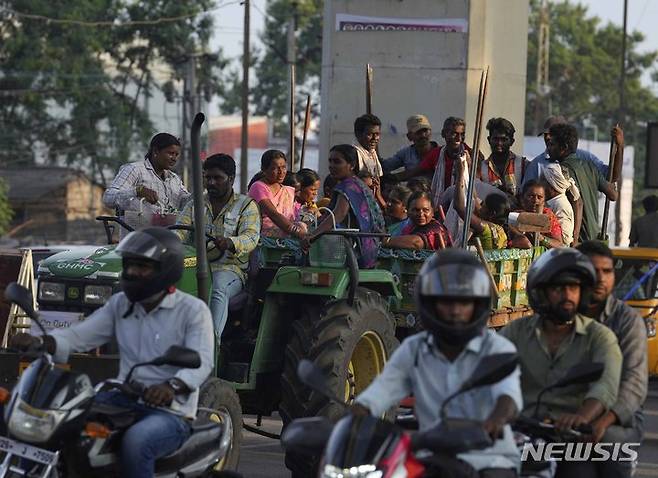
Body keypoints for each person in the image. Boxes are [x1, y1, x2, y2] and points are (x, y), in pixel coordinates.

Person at [11, 228, 214, 478]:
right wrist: (42, 341)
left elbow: (202, 362)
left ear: (166, 269)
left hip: (169, 411)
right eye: (128, 265)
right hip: (120, 397)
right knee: (60, 425)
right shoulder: (121, 304)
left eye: (142, 267)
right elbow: (80, 335)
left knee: (137, 442)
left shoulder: (192, 311)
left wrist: (170, 386)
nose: (132, 273)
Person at [354, 249, 522, 477]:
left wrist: (495, 421)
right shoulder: (414, 349)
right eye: (446, 301)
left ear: (478, 305)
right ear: (430, 304)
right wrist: (354, 416)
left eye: (464, 302)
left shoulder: (497, 349)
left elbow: (508, 396)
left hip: (489, 458)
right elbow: (381, 392)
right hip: (431, 456)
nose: (455, 310)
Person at [499, 248, 622, 478]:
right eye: (558, 288)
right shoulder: (515, 332)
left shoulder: (600, 337)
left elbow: (605, 385)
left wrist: (582, 417)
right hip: (517, 434)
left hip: (571, 440)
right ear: (541, 293)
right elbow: (492, 371)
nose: (568, 295)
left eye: (573, 287)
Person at [576, 240, 647, 478]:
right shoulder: (561, 314)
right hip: (568, 412)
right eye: (592, 271)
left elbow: (634, 384)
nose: (601, 278)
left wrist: (603, 422)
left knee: (609, 444)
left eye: (606, 271)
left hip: (618, 418)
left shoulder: (628, 321)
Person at [176, 154, 260, 342]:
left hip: (230, 269)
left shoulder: (246, 205)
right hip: (195, 267)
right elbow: (179, 231)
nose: (211, 183)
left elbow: (251, 237)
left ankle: (210, 346)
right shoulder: (194, 205)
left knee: (217, 289)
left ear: (231, 179)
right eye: (208, 178)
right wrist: (167, 242)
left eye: (217, 178)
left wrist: (231, 242)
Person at [304, 144, 385, 268]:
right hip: (368, 247)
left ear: (351, 165)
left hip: (355, 250)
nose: (332, 166)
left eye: (337, 162)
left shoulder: (348, 186)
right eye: (330, 161)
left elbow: (338, 214)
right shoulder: (357, 184)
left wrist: (313, 235)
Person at [548, 123, 621, 242]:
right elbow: (613, 195)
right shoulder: (590, 167)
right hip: (593, 238)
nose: (548, 148)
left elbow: (578, 203)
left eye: (552, 144)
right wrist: (620, 146)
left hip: (576, 240)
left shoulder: (559, 171)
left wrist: (575, 238)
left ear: (563, 147)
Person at [103, 133, 190, 220]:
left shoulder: (174, 179)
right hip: (139, 231)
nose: (174, 158)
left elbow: (187, 203)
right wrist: (137, 191)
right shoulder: (134, 170)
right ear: (155, 151)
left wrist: (201, 190)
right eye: (171, 153)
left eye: (176, 155)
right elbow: (108, 198)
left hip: (169, 232)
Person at [523, 116, 614, 185]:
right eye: (545, 134)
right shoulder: (537, 164)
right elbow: (526, 194)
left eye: (552, 134)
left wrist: (619, 147)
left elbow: (610, 177)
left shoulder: (585, 159)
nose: (547, 137)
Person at [454, 156, 510, 250]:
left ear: (492, 214)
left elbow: (459, 207)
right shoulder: (501, 230)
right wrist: (468, 170)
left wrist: (459, 177)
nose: (480, 208)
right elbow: (474, 198)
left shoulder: (486, 228)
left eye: (483, 206)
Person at [248, 149, 305, 238]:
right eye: (275, 168)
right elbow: (273, 214)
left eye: (283, 167)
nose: (281, 172)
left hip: (286, 240)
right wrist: (296, 231)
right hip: (264, 242)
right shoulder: (258, 187)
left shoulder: (287, 190)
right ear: (263, 169)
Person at [382, 191, 451, 250]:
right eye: (416, 210)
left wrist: (386, 242)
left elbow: (416, 243)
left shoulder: (436, 229)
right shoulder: (407, 226)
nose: (421, 214)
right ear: (408, 211)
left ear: (433, 212)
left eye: (425, 210)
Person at [479, 117, 528, 197]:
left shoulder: (523, 165)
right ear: (489, 140)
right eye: (496, 139)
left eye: (504, 139)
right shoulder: (481, 168)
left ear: (512, 141)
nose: (499, 143)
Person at [508, 180, 563, 249]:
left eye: (539, 197)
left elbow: (560, 245)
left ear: (544, 201)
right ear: (522, 198)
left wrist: (541, 239)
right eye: (531, 196)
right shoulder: (516, 217)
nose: (535, 201)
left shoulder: (549, 217)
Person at [543, 163, 577, 246]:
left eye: (544, 181)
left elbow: (565, 240)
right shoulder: (553, 202)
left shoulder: (561, 206)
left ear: (552, 185)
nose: (541, 184)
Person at [352, 113, 383, 178]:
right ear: (358, 134)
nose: (374, 138)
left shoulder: (373, 153)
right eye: (370, 134)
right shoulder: (355, 154)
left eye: (377, 134)